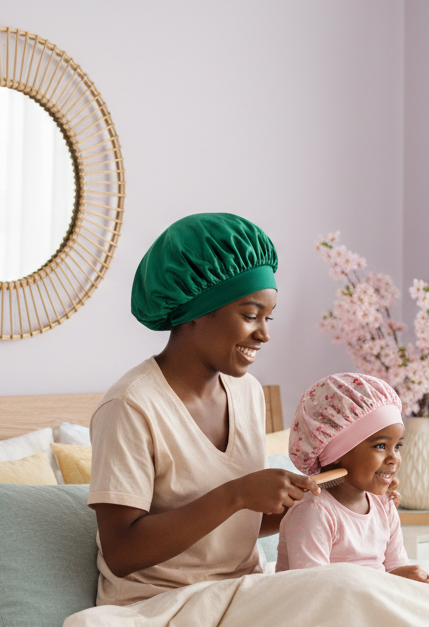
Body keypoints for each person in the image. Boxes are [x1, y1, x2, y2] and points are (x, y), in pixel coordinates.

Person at [88, 213, 320, 606]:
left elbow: (234, 530)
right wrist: (237, 494)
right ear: (196, 309)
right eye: (250, 316)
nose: (264, 334)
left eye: (268, 317)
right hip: (157, 605)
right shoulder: (130, 406)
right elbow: (122, 552)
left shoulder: (247, 391)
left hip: (241, 594)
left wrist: (316, 497)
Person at [276, 373, 429, 586]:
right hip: (332, 607)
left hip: (374, 599)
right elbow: (313, 590)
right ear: (337, 453)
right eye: (381, 446)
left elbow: (397, 567)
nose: (394, 459)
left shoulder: (384, 505)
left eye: (397, 446)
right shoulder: (314, 511)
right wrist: (391, 581)